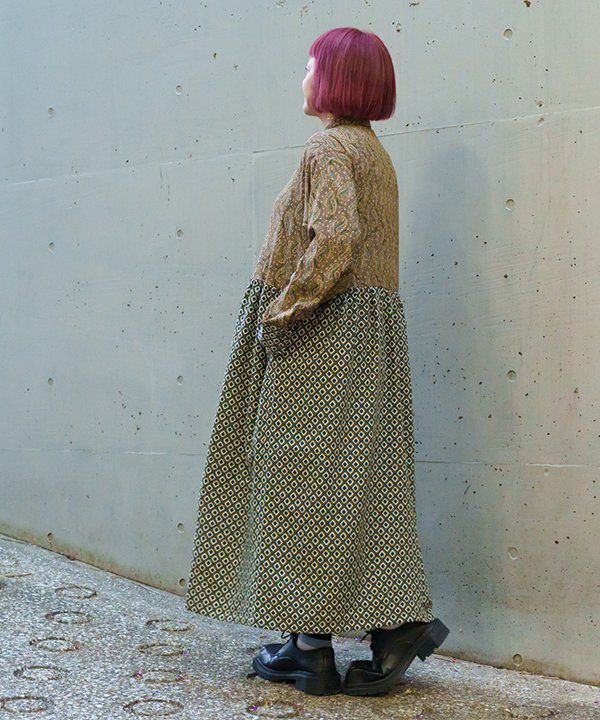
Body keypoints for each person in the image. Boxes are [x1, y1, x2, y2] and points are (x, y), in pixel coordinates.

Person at [185, 26, 449, 697]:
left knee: (297, 481)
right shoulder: (373, 153)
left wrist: (284, 310)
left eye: (309, 68)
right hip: (368, 337)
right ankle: (380, 624)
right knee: (356, 484)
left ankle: (311, 648)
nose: (302, 79)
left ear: (335, 79)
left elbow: (335, 237)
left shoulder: (327, 147)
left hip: (323, 336)